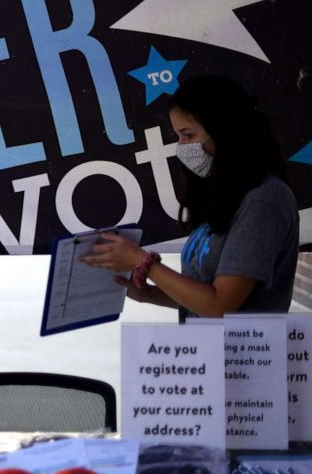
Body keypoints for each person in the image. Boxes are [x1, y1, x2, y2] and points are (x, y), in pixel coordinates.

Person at [80, 75, 299, 320]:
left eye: (188, 134)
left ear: (224, 129)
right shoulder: (228, 194)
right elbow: (205, 298)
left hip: (244, 356)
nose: (182, 147)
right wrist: (150, 295)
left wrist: (143, 262)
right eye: (178, 136)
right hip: (204, 353)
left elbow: (219, 305)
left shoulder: (263, 200)